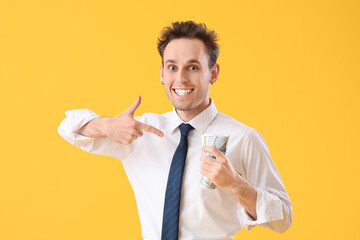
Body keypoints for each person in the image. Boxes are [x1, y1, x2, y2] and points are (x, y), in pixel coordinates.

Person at [58, 21, 292, 239]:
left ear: (213, 73)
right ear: (162, 73)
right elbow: (68, 128)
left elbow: (283, 218)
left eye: (192, 67)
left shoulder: (244, 138)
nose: (180, 78)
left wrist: (234, 183)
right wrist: (107, 126)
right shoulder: (140, 132)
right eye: (172, 67)